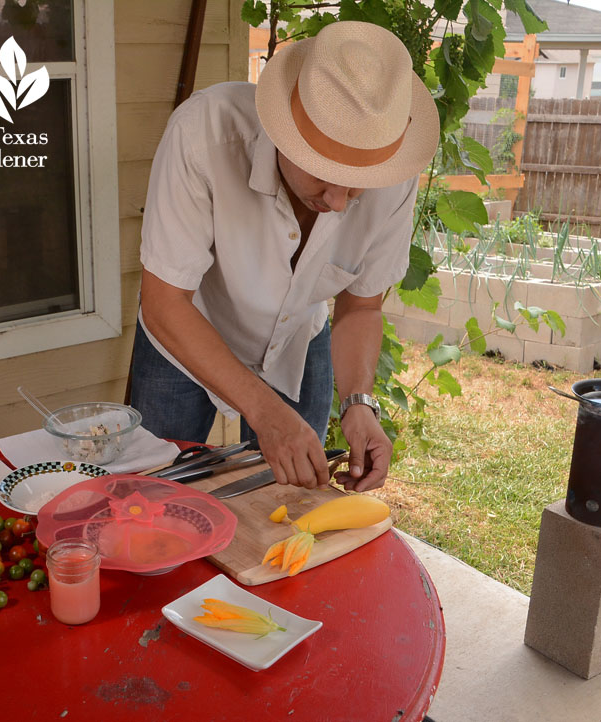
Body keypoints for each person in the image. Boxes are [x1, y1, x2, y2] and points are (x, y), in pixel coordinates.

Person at [132, 20, 439, 492]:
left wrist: (358, 401)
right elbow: (164, 302)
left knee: (290, 502)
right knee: (156, 491)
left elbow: (361, 306)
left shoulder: (392, 177)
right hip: (187, 328)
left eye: (356, 182)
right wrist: (264, 410)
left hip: (298, 335)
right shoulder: (201, 136)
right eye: (323, 173)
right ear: (283, 131)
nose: (339, 201)